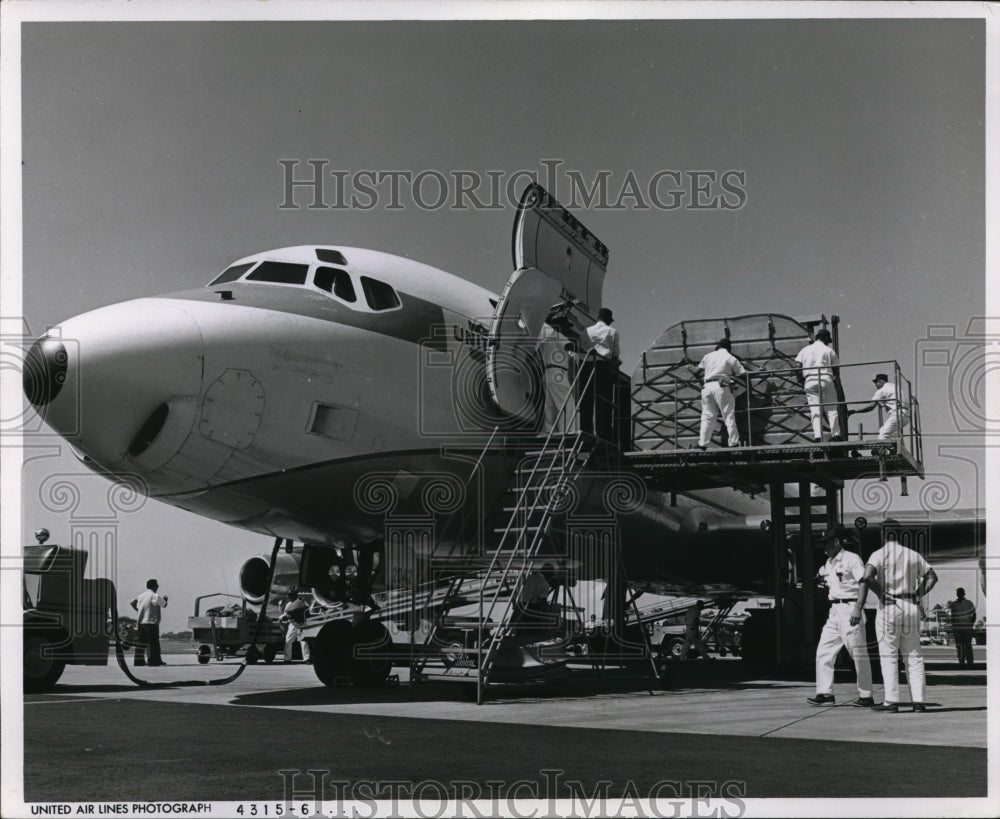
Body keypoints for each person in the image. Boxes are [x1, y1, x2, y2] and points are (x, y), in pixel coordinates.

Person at [860, 519, 938, 713]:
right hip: (910, 604)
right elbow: (932, 577)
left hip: (889, 606)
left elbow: (868, 576)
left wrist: (880, 593)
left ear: (883, 534)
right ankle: (918, 701)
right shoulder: (913, 555)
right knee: (914, 655)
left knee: (889, 655)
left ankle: (891, 701)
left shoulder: (878, 554)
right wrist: (917, 594)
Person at [807, 527, 873, 707]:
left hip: (850, 608)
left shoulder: (852, 559)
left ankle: (866, 695)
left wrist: (858, 610)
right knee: (824, 651)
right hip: (834, 611)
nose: (824, 547)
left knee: (858, 654)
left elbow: (864, 583)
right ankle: (825, 693)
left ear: (836, 542)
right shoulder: (829, 563)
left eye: (826, 543)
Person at [693, 338, 747, 450]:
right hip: (722, 386)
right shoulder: (730, 357)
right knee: (728, 415)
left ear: (718, 346)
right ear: (729, 348)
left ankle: (702, 444)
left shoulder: (708, 356)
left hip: (707, 387)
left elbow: (698, 371)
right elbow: (742, 374)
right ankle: (733, 443)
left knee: (707, 416)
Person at [580, 307, 621, 443]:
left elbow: (580, 349)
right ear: (609, 320)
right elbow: (615, 354)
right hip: (603, 367)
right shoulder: (612, 332)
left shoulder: (585, 331)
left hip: (586, 366)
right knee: (603, 401)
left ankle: (585, 431)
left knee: (586, 400)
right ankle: (604, 435)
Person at [794, 329, 842, 442]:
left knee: (815, 410)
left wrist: (801, 378)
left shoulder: (805, 350)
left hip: (810, 380)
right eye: (828, 340)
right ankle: (836, 435)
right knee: (831, 409)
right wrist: (834, 380)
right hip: (826, 378)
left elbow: (797, 366)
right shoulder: (829, 350)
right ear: (825, 338)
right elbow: (836, 370)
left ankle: (818, 437)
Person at [538, 317, 576, 434]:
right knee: (567, 403)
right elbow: (569, 347)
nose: (568, 330)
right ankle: (567, 431)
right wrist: (584, 350)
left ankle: (549, 431)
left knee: (550, 405)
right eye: (567, 327)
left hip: (547, 372)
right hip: (557, 372)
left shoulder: (545, 341)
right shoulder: (559, 336)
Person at [849, 372, 909, 441]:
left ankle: (880, 450)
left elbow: (871, 406)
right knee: (893, 433)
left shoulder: (881, 390)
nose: (875, 385)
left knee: (883, 433)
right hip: (906, 415)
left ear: (880, 381)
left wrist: (853, 411)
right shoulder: (895, 386)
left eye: (876, 383)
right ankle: (895, 447)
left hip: (897, 414)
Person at [130, 578, 168, 667]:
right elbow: (164, 605)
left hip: (141, 622)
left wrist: (139, 610)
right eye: (157, 585)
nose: (158, 586)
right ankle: (154, 661)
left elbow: (132, 602)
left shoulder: (141, 595)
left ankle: (138, 661)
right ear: (154, 586)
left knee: (140, 642)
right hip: (151, 622)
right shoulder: (154, 595)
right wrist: (165, 599)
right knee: (153, 643)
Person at [947, 587, 976, 667]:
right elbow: (952, 616)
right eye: (958, 593)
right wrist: (954, 626)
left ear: (964, 594)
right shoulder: (953, 604)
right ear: (957, 594)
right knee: (959, 645)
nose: (959, 594)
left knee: (968, 645)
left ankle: (970, 662)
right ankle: (961, 662)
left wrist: (971, 624)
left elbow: (974, 614)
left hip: (967, 627)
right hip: (957, 628)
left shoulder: (969, 603)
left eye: (961, 592)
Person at [280, 588, 311, 663]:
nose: (289, 597)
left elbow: (307, 611)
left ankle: (307, 658)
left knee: (303, 641)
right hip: (292, 623)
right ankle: (287, 659)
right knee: (288, 640)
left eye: (291, 595)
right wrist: (284, 617)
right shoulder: (288, 604)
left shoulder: (302, 602)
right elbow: (286, 615)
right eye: (289, 596)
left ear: (295, 595)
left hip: (301, 623)